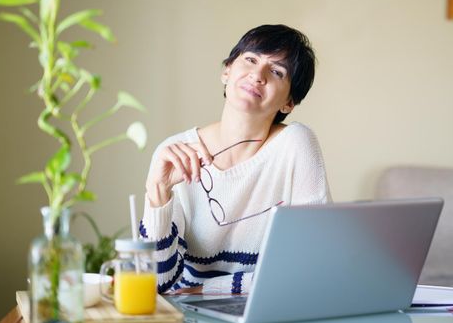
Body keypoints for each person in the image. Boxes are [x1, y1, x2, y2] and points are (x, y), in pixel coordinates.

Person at [140, 24, 331, 294]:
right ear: (226, 71)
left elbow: (313, 265)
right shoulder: (175, 153)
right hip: (187, 312)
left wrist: (205, 290)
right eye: (251, 59)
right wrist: (158, 192)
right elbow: (156, 284)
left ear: (289, 103)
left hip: (262, 310)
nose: (257, 75)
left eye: (276, 71)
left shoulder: (295, 144)